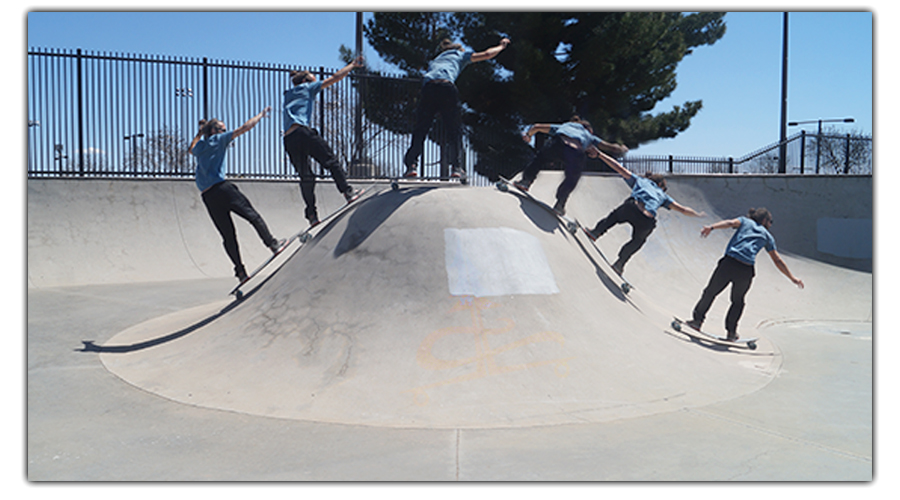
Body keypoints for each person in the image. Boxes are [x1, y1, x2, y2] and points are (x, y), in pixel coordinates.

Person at [189, 107, 286, 283]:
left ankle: (240, 272)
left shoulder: (200, 146)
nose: (225, 132)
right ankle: (272, 244)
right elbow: (244, 128)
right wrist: (260, 115)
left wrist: (199, 132)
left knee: (228, 235)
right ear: (215, 131)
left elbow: (191, 148)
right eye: (223, 129)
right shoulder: (219, 139)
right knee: (252, 216)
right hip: (223, 190)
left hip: (208, 197)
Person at [686, 208, 804, 341]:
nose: (771, 225)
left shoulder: (744, 221)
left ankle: (697, 321)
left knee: (710, 292)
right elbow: (777, 260)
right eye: (771, 222)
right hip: (745, 270)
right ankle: (731, 332)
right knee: (738, 301)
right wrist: (792, 277)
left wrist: (711, 227)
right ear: (765, 220)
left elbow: (730, 223)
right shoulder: (767, 236)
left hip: (728, 263)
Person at [403, 37, 511, 182]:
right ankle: (456, 168)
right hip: (447, 88)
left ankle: (411, 165)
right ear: (459, 50)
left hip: (428, 88)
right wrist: (501, 46)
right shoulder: (460, 55)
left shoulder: (435, 60)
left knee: (421, 129)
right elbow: (486, 54)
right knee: (454, 130)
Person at [586, 149, 706, 276]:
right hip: (647, 221)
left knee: (614, 216)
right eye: (664, 188)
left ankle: (596, 232)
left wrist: (600, 154)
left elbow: (619, 168)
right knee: (638, 241)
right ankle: (620, 263)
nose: (664, 191)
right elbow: (683, 209)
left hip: (632, 208)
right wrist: (698, 214)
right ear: (660, 185)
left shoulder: (641, 180)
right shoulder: (664, 196)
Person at [283, 56, 364, 226]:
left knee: (306, 177)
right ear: (306, 80)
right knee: (331, 161)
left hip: (288, 139)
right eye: (313, 76)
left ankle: (311, 215)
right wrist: (352, 65)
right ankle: (348, 192)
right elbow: (335, 78)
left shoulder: (289, 93)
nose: (316, 79)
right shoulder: (308, 87)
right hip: (303, 133)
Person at [515, 116, 629, 216]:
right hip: (576, 153)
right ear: (588, 129)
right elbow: (609, 147)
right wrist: (621, 148)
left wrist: (528, 135)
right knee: (572, 179)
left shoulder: (566, 125)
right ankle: (560, 204)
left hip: (558, 144)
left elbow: (537, 126)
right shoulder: (589, 135)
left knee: (539, 159)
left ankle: (526, 181)